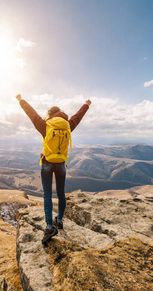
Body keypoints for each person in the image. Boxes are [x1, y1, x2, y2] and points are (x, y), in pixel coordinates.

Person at [16, 94, 91, 243]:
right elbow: (78, 116)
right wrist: (86, 105)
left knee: (47, 194)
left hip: (47, 162)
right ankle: (60, 220)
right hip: (61, 163)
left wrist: (21, 101)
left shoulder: (45, 125)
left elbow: (32, 113)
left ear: (50, 115)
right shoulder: (68, 125)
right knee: (61, 193)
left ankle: (50, 226)